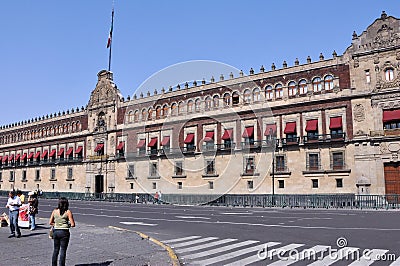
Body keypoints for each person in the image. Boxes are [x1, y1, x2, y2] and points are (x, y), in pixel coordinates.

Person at [49, 197, 75, 266]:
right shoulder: (68, 212)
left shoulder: (55, 211)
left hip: (56, 232)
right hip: (64, 232)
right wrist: (66, 224)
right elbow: (72, 224)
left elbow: (50, 222)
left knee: (55, 250)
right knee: (63, 250)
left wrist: (57, 224)